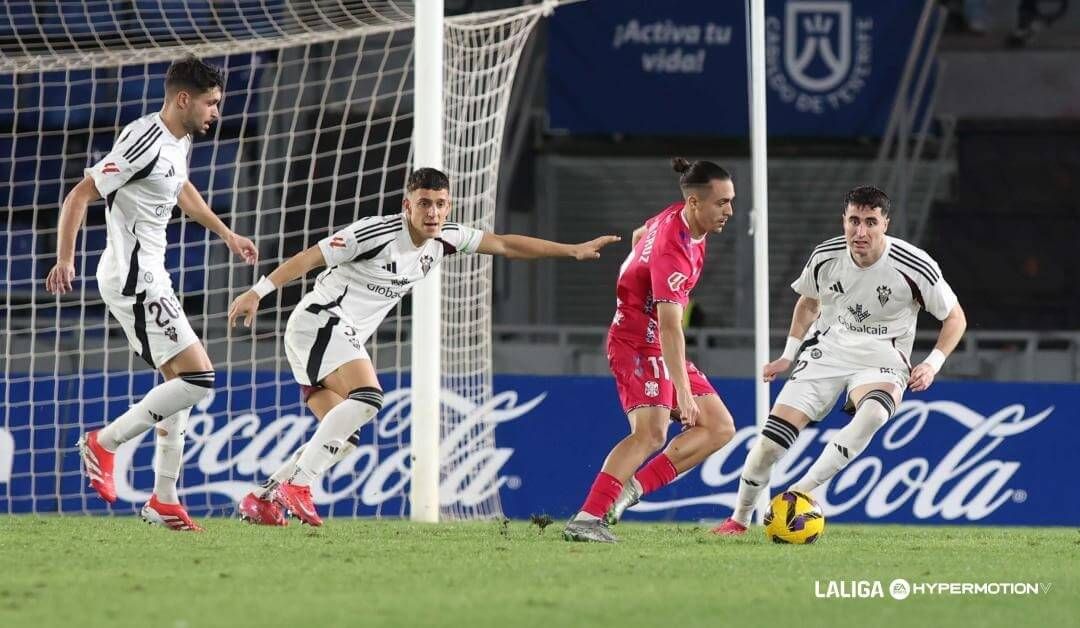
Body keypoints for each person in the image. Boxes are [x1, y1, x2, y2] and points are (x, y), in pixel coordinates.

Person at [229, 167, 620, 526]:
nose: (433, 213)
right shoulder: (375, 233)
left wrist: (571, 250)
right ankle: (299, 485)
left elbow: (503, 244)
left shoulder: (445, 237)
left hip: (332, 336)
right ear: (407, 205)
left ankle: (262, 499)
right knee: (368, 397)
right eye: (424, 204)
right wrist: (258, 291)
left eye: (440, 204)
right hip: (320, 321)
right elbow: (310, 257)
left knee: (342, 441)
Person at [45, 56, 259, 531]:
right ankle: (105, 441)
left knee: (176, 388)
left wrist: (227, 234)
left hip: (151, 276)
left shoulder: (179, 140)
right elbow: (80, 194)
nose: (215, 112)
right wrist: (65, 258)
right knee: (200, 379)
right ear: (183, 99)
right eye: (210, 103)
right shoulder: (143, 140)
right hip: (133, 279)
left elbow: (182, 190)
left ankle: (164, 498)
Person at [713, 185, 966, 535]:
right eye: (854, 221)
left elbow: (955, 318)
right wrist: (788, 355)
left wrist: (932, 363)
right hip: (827, 352)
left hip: (882, 358)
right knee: (770, 444)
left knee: (875, 412)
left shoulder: (914, 264)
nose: (860, 232)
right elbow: (808, 303)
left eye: (870, 222)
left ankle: (799, 494)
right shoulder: (826, 256)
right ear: (843, 220)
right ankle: (738, 520)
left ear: (885, 224)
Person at [563, 158, 738, 543]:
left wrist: (635, 279)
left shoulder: (677, 217)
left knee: (720, 427)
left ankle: (629, 490)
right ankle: (587, 517)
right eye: (722, 203)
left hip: (651, 336)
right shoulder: (673, 251)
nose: (729, 211)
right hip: (638, 341)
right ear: (695, 203)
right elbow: (672, 326)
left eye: (730, 201)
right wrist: (685, 395)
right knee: (650, 433)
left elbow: (640, 233)